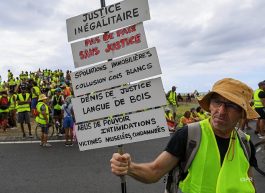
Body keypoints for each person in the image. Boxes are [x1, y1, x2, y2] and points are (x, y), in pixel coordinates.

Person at [110, 78, 259, 193]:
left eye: (231, 105)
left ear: (242, 113)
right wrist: (129, 167)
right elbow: (155, 171)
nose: (221, 110)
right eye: (217, 102)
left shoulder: (245, 142)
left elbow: (248, 180)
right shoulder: (189, 134)